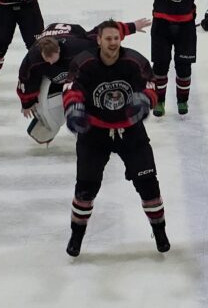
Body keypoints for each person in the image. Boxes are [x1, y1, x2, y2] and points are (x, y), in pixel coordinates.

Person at [61, 20, 169, 257]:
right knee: (85, 189)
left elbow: (151, 84)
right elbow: (72, 88)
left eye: (116, 38)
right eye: (108, 38)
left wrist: (147, 99)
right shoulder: (84, 63)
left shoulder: (135, 61)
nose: (112, 43)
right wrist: (74, 108)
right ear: (98, 39)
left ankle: (159, 232)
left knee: (149, 184)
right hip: (94, 133)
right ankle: (76, 236)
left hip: (130, 131)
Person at [18, 17, 149, 144]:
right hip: (54, 77)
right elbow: (25, 77)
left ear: (59, 49)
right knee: (43, 107)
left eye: (53, 59)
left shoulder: (79, 46)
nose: (51, 63)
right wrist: (26, 102)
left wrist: (132, 26)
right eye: (47, 60)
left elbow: (102, 32)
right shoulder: (33, 57)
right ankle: (48, 122)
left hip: (73, 39)